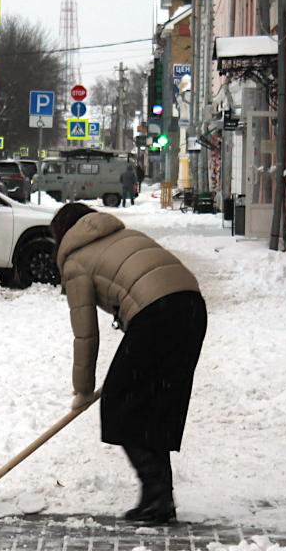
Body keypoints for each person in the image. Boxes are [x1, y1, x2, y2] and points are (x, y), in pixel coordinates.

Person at [50, 202, 207, 523]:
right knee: (156, 403)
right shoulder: (124, 234)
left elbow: (85, 333)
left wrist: (83, 390)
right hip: (191, 307)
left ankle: (157, 497)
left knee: (120, 402)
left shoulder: (76, 260)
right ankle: (159, 498)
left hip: (158, 313)